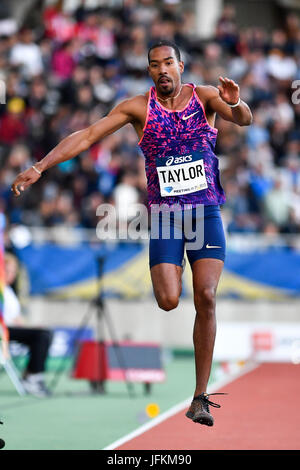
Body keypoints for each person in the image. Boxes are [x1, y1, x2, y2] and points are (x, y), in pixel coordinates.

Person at [11, 39, 253, 424]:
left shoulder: (206, 97)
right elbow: (88, 135)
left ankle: (200, 397)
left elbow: (244, 120)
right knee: (169, 300)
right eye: (155, 64)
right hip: (164, 217)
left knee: (205, 295)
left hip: (205, 212)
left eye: (168, 62)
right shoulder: (138, 107)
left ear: (180, 66)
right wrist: (40, 166)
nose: (162, 69)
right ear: (149, 71)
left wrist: (236, 103)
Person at [3, 252, 53, 398]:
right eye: (7, 270)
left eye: (13, 271)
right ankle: (33, 377)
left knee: (44, 333)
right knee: (41, 336)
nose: (11, 274)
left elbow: (16, 316)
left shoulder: (9, 291)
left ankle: (31, 375)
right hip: (3, 330)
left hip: (12, 328)